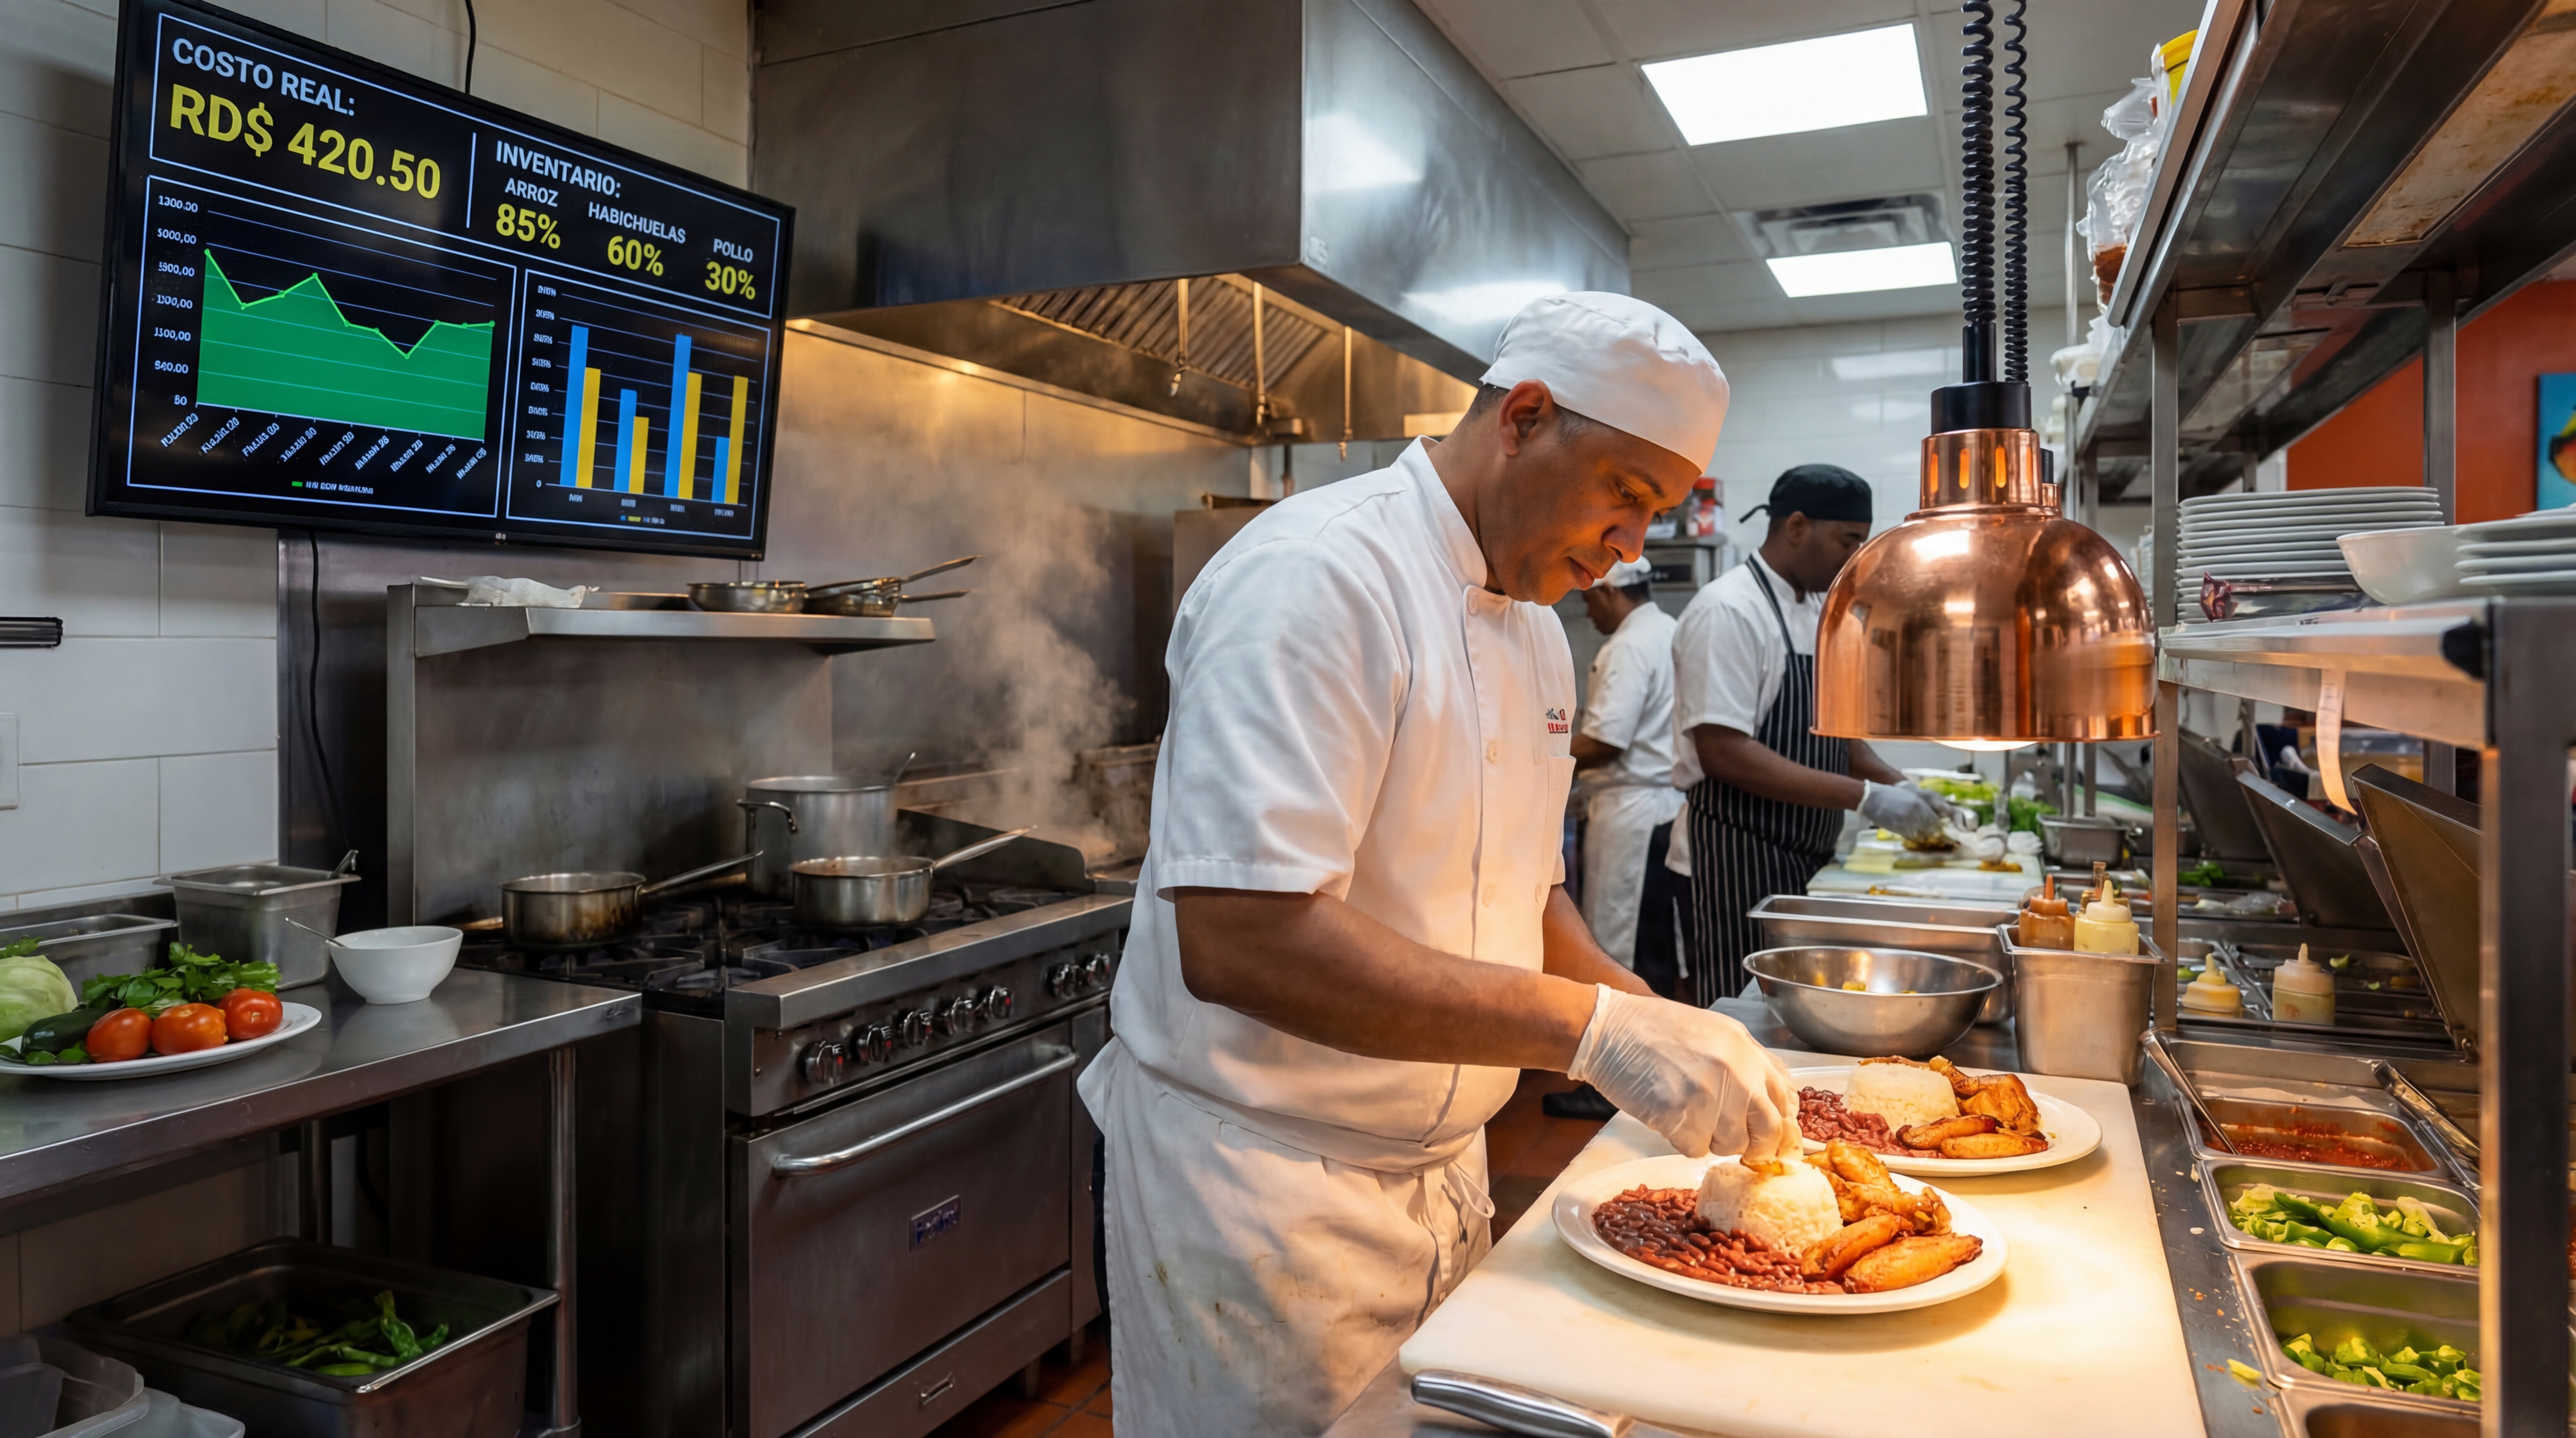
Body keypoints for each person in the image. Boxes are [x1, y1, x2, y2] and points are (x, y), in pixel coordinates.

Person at [1081, 293, 1801, 1438]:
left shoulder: (1528, 624)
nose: (1631, 545)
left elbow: (1525, 885)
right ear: (1522, 416)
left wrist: (1645, 1011)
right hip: (1269, 1198)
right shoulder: (1320, 576)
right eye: (1625, 494)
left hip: (1442, 1173)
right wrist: (1587, 1032)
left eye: (1654, 514)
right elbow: (1242, 936)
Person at [1666, 465, 1947, 1008]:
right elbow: (1724, 752)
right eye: (1848, 540)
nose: (1855, 557)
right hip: (1732, 859)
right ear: (1796, 527)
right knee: (1739, 1011)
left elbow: (1835, 736)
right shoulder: (1729, 611)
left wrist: (1900, 784)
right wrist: (1865, 798)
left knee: (1792, 1012)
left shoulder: (1817, 610)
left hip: (1801, 855)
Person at [1570, 556, 1683, 990]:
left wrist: (1540, 757)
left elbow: (1605, 742)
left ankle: (1634, 1045)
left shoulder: (1627, 647)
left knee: (1625, 944)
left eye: (1589, 600)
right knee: (1657, 944)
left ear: (1610, 591)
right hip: (1663, 812)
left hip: (1632, 818)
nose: (1588, 613)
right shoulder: (1668, 630)